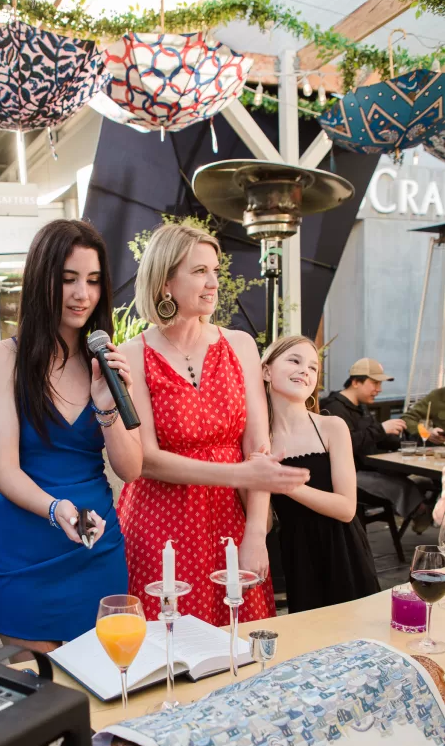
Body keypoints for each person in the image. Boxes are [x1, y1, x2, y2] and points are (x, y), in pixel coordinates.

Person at [117, 223, 310, 627]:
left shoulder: (239, 344)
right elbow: (147, 459)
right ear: (166, 281)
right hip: (159, 523)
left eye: (215, 271)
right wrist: (239, 472)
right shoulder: (134, 354)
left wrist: (256, 533)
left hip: (229, 518)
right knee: (168, 643)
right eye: (199, 271)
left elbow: (259, 444)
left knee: (238, 637)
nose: (213, 283)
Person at [0, 219, 142, 651]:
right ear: (41, 280)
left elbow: (131, 468)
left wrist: (106, 402)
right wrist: (55, 509)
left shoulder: (107, 361)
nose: (82, 294)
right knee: (41, 701)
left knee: (107, 691)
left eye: (92, 281)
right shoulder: (2, 360)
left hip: (95, 546)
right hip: (26, 552)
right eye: (68, 279)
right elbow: (5, 470)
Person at [262, 336, 379, 613]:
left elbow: (346, 508)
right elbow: (264, 521)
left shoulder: (331, 427)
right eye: (294, 360)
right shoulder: (259, 439)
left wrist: (284, 483)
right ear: (266, 370)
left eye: (313, 367)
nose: (305, 370)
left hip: (344, 550)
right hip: (297, 555)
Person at [321, 358, 428, 526]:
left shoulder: (360, 406)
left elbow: (376, 437)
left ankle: (423, 513)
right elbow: (345, 444)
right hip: (345, 476)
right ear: (356, 382)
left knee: (421, 481)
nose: (379, 389)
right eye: (375, 383)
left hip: (367, 468)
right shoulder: (334, 408)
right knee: (404, 487)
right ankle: (424, 516)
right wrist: (382, 429)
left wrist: (413, 443)